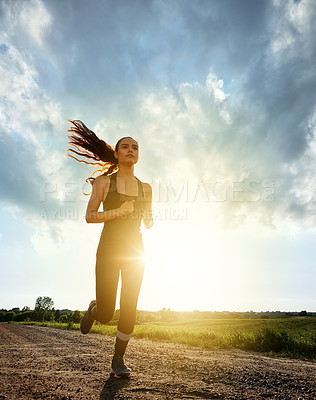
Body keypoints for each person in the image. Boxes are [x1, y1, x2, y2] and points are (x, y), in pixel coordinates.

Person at [66, 120, 153, 379]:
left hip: (136, 252)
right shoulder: (104, 182)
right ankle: (95, 309)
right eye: (125, 146)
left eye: (135, 147)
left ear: (138, 155)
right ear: (116, 153)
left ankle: (118, 359)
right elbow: (90, 216)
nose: (131, 150)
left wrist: (148, 218)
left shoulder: (145, 188)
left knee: (129, 307)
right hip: (108, 250)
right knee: (107, 313)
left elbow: (149, 220)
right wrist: (117, 212)